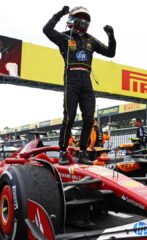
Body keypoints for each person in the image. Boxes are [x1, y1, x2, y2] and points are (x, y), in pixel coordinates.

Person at [43, 6, 116, 164]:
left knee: (89, 118)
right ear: (71, 19)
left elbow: (111, 52)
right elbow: (46, 29)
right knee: (69, 117)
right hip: (71, 77)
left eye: (85, 18)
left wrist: (111, 35)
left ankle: (83, 152)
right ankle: (63, 152)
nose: (83, 20)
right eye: (79, 17)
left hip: (86, 80)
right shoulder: (64, 37)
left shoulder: (90, 40)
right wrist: (60, 14)